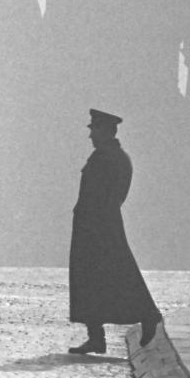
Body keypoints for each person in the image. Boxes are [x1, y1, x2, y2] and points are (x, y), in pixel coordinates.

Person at [68, 108, 162, 354]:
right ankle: (96, 337)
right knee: (95, 280)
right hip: (98, 223)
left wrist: (94, 219)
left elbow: (103, 195)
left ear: (105, 131)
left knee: (115, 275)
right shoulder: (112, 156)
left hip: (98, 226)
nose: (91, 135)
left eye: (94, 129)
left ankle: (148, 314)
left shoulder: (107, 158)